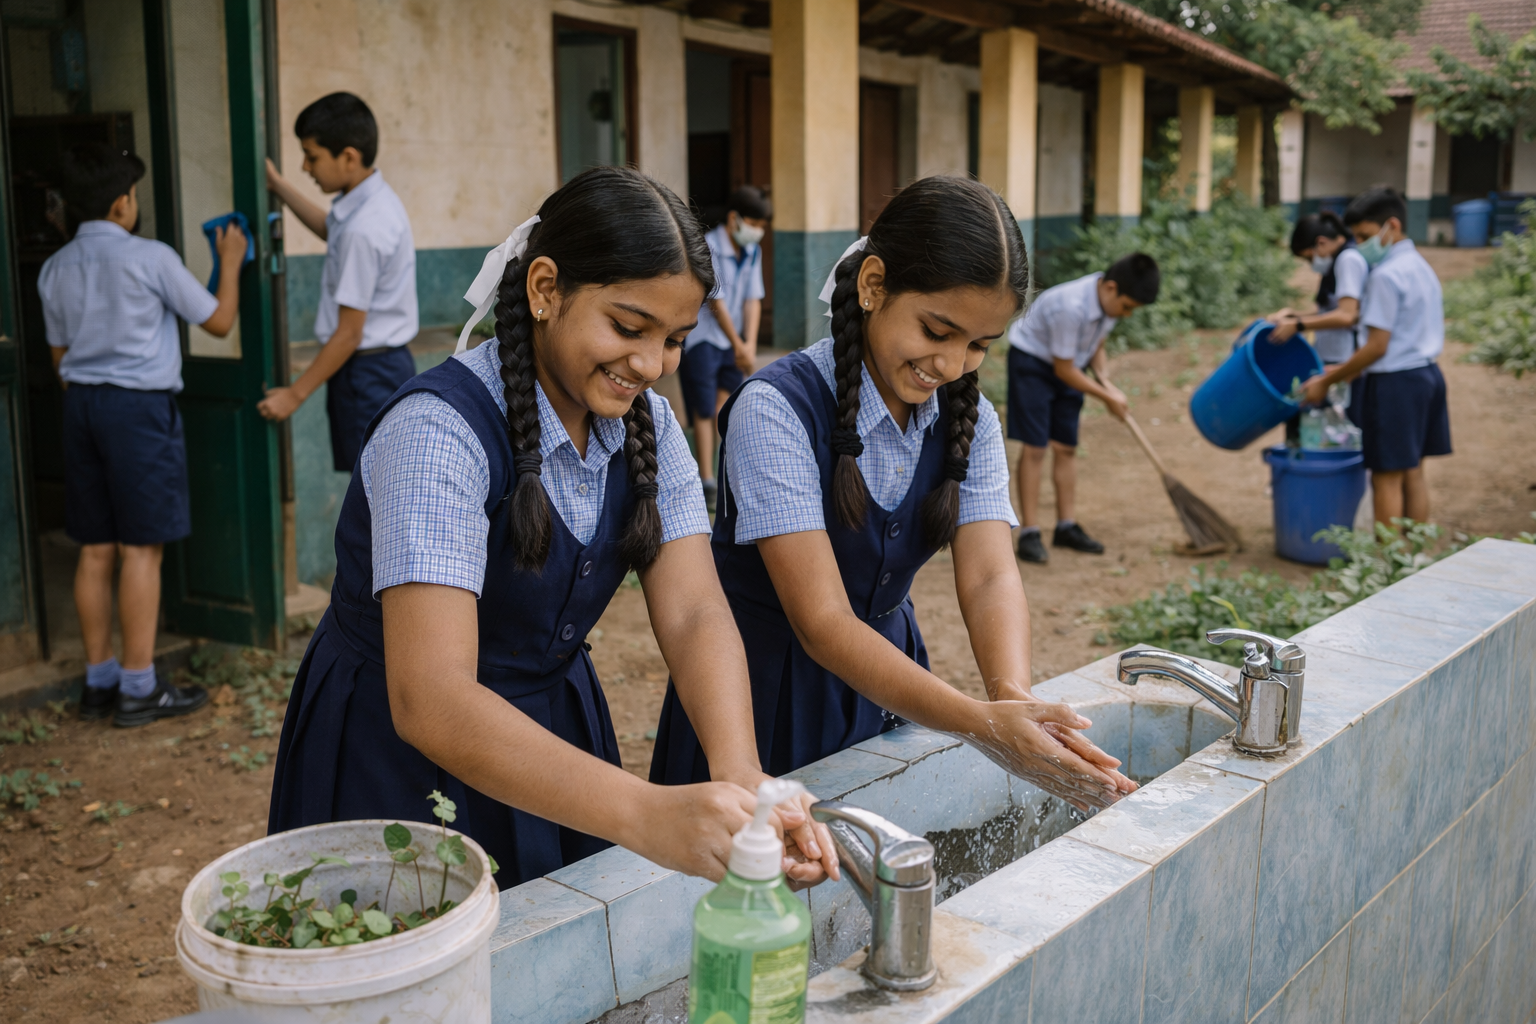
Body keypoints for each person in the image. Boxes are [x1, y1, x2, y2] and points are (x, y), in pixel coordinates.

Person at [269, 167, 836, 890]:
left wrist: (743, 773)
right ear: (544, 290)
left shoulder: (651, 427)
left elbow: (694, 609)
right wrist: (644, 813)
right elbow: (432, 698)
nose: (649, 364)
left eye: (674, 340)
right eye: (627, 327)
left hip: (556, 739)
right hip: (397, 764)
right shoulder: (437, 433)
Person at [649, 176, 1135, 812]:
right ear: (873, 285)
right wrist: (978, 721)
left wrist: (1013, 699)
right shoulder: (775, 409)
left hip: (892, 686)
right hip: (762, 697)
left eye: (978, 345)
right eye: (936, 331)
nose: (952, 364)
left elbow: (990, 574)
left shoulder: (971, 420)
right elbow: (822, 622)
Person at [40, 143, 245, 726]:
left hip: (81, 406)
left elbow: (59, 360)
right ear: (121, 204)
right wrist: (230, 261)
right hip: (138, 411)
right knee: (140, 549)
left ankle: (99, 682)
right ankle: (139, 688)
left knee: (95, 548)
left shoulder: (55, 268)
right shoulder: (151, 257)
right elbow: (219, 320)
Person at [260, 92, 418, 471]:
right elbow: (332, 229)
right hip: (379, 366)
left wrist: (294, 395)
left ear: (348, 157)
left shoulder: (364, 228)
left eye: (312, 156)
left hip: (367, 374)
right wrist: (278, 186)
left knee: (371, 488)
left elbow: (348, 334)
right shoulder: (369, 201)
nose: (305, 166)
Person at [1300, 186, 1449, 525]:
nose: (1360, 245)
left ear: (1391, 226)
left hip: (1396, 385)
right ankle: (1415, 550)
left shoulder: (1385, 275)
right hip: (1427, 377)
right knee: (1413, 472)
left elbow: (1376, 347)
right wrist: (1344, 372)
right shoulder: (1420, 266)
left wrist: (1328, 380)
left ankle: (1387, 557)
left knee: (1386, 478)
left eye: (1365, 236)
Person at [1007, 253, 1159, 564]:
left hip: (1070, 365)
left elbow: (1096, 344)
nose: (1127, 314)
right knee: (1035, 448)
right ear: (1111, 288)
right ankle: (1029, 533)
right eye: (1127, 307)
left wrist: (1105, 381)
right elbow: (1063, 370)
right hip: (1033, 364)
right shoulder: (1070, 307)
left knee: (1066, 447)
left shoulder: (1109, 302)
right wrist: (1106, 398)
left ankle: (1066, 526)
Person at [680, 186, 770, 511]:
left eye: (761, 226)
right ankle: (706, 480)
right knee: (704, 411)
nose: (757, 232)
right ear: (734, 219)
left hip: (735, 343)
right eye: (753, 224)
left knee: (724, 407)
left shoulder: (752, 252)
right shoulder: (709, 247)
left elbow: (753, 300)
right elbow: (715, 302)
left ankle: (722, 476)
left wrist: (750, 344)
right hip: (704, 339)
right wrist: (739, 344)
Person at [1267, 211, 1369, 431]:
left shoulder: (1348, 260)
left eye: (1309, 258)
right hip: (1330, 356)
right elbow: (1330, 311)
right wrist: (1295, 317)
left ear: (1321, 243)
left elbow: (1347, 315)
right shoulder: (1336, 263)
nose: (1311, 264)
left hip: (1344, 360)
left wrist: (1299, 325)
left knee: (1340, 429)